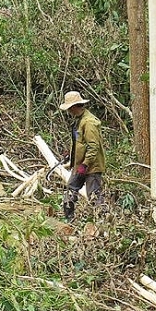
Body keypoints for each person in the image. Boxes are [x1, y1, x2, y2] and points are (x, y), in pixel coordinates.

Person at [59, 91, 106, 221]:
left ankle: (102, 223)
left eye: (69, 108)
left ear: (74, 107)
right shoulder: (79, 121)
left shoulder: (89, 122)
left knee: (94, 197)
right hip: (79, 165)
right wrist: (72, 155)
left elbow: (93, 147)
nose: (68, 111)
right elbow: (80, 143)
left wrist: (85, 164)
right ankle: (69, 220)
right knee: (70, 190)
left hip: (92, 167)